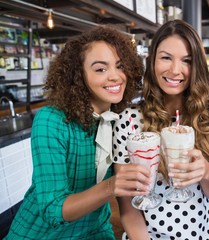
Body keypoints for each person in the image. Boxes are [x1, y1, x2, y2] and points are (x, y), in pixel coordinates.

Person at [5, 25, 150, 239]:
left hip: (95, 230)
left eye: (120, 66)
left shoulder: (122, 122)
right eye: (100, 69)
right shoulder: (52, 121)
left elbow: (129, 206)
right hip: (39, 234)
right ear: (78, 75)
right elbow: (52, 211)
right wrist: (111, 186)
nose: (115, 76)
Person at [113, 19, 209, 239]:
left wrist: (206, 173)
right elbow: (128, 208)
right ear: (153, 61)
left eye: (186, 61)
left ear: (197, 65)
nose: (175, 70)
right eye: (166, 58)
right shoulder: (129, 121)